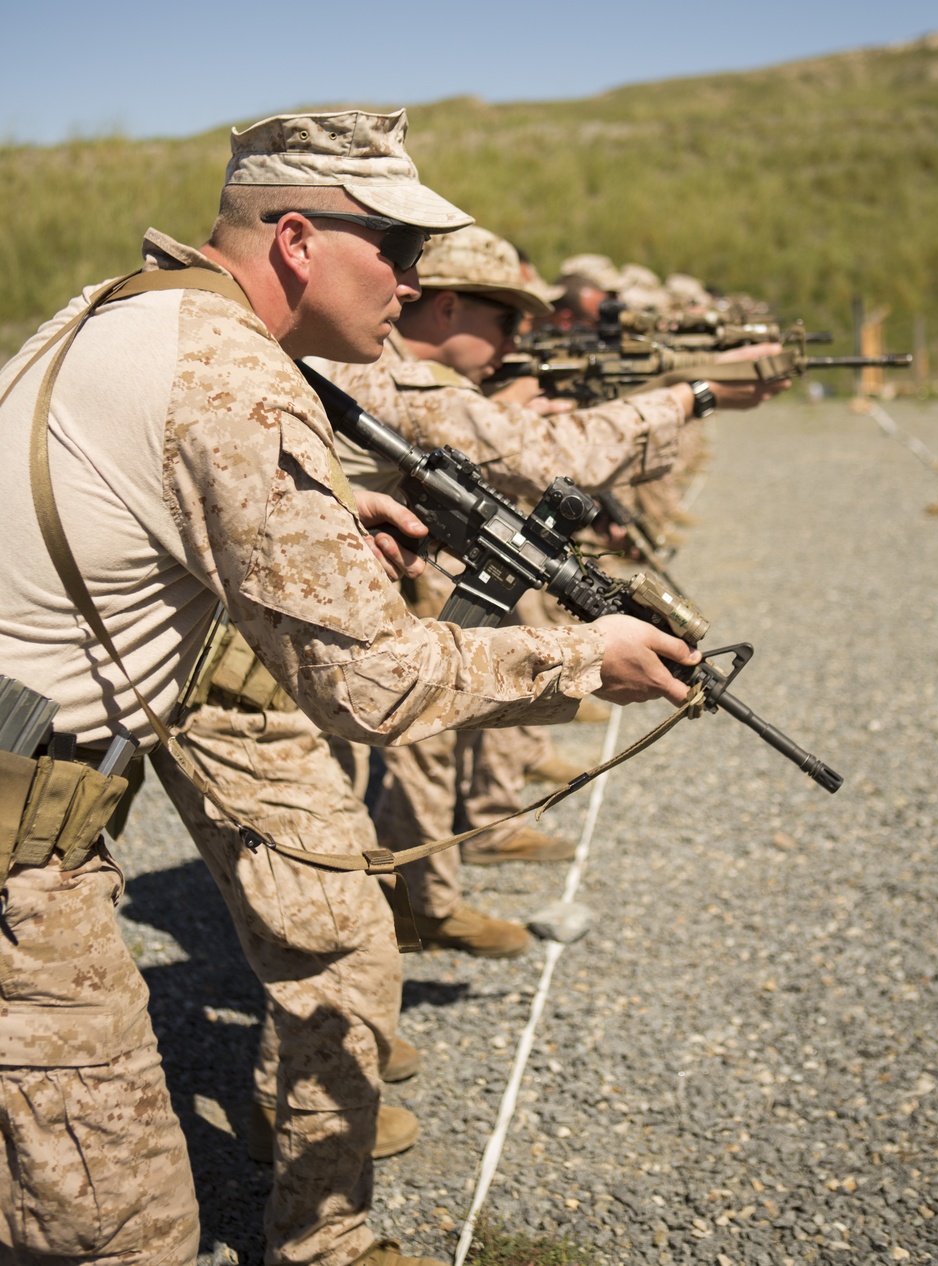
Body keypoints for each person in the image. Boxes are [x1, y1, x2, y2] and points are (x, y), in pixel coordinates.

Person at [0, 109, 702, 1266]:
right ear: (295, 240)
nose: (414, 283)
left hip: (39, 806)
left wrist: (328, 512)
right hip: (23, 851)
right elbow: (370, 687)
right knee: (119, 1235)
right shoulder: (230, 373)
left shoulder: (127, 307)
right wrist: (588, 655)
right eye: (396, 247)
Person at [315, 224, 787, 957]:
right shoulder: (396, 377)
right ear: (446, 309)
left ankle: (417, 907)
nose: (516, 340)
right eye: (505, 319)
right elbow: (557, 454)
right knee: (353, 796)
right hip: (301, 640)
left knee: (392, 768)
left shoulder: (392, 373)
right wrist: (699, 393)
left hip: (343, 611)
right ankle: (403, 922)